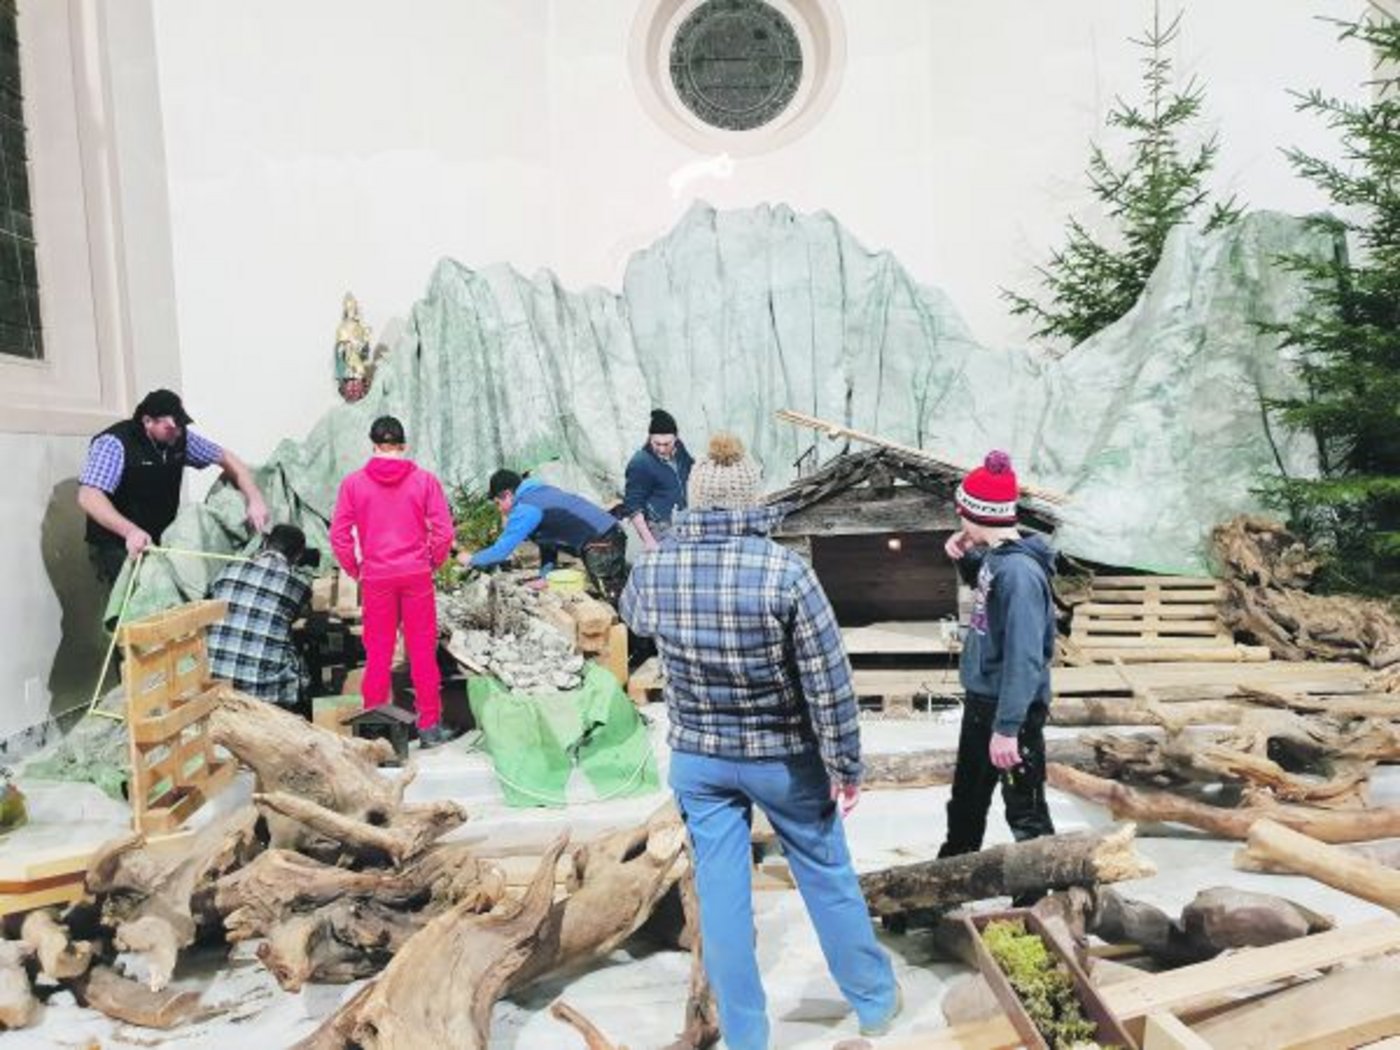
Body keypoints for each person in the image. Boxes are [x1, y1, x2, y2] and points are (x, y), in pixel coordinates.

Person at [620, 433, 899, 1050]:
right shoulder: (786, 571)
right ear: (753, 497)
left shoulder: (655, 567)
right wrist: (845, 763)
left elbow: (633, 617)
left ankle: (747, 1036)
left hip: (699, 759)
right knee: (826, 874)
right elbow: (828, 681)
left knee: (721, 897)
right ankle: (875, 1002)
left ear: (693, 498)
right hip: (782, 758)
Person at [938, 450, 1057, 866]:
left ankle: (1040, 890)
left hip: (1012, 709)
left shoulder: (1020, 574)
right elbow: (988, 594)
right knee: (966, 801)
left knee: (1024, 809)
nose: (958, 517)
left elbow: (1025, 657)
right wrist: (966, 558)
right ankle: (948, 878)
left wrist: (1007, 728)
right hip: (984, 700)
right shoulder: (996, 557)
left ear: (974, 513)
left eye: (961, 511)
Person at [330, 416, 456, 747]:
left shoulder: (353, 484)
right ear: (403, 445)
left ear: (373, 444)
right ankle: (429, 727)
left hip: (376, 578)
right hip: (416, 575)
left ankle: (376, 729)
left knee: (378, 654)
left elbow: (339, 535)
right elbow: (444, 531)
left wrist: (356, 569)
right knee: (422, 651)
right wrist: (432, 562)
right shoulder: (425, 481)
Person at [78, 389, 270, 584]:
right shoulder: (114, 443)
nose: (177, 432)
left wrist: (255, 500)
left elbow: (227, 458)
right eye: (170, 428)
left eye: (180, 426)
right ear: (148, 421)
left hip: (155, 537)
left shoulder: (178, 438)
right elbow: (89, 496)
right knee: (130, 597)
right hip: (116, 541)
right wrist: (130, 531)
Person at [460, 469, 629, 603]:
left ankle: (633, 635)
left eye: (498, 503)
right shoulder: (541, 492)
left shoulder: (526, 508)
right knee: (621, 589)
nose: (499, 510)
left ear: (507, 495)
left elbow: (501, 551)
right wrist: (545, 577)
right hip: (609, 533)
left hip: (601, 543)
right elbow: (549, 540)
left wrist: (471, 559)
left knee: (614, 596)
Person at [207, 525, 312, 706]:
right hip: (262, 691)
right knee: (301, 661)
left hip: (215, 678)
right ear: (298, 556)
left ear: (264, 543)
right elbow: (299, 614)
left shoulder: (228, 570)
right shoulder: (298, 586)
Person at [619, 408, 694, 551]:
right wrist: (649, 541)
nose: (661, 449)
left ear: (676, 438)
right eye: (657, 443)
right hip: (660, 528)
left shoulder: (680, 449)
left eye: (666, 444)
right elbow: (633, 506)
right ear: (649, 438)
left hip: (684, 520)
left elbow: (691, 470)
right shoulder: (640, 462)